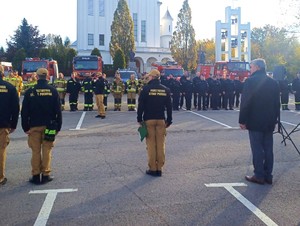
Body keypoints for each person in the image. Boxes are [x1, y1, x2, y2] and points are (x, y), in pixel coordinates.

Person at [239, 58, 280, 185]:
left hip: (255, 120)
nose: (250, 70)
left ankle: (259, 175)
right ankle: (268, 175)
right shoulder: (273, 82)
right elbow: (276, 104)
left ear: (257, 67)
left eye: (251, 67)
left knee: (257, 148)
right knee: (268, 148)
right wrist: (275, 120)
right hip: (269, 121)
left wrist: (242, 120)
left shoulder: (250, 81)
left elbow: (245, 102)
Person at [21, 68, 62, 185]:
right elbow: (58, 111)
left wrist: (25, 127)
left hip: (33, 126)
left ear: (37, 77)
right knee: (47, 150)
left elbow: (24, 112)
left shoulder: (30, 91)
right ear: (47, 76)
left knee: (35, 151)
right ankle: (45, 174)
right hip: (49, 126)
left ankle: (35, 175)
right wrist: (58, 127)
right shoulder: (53, 91)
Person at [137, 69, 172, 177]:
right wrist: (169, 120)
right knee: (161, 145)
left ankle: (152, 168)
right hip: (161, 120)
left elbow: (141, 106)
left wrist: (139, 119)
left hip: (149, 120)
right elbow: (169, 107)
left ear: (152, 77)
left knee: (151, 145)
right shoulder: (165, 90)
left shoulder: (145, 89)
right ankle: (159, 168)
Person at [0, 65, 20, 186]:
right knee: (1, 150)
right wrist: (13, 125)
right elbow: (15, 109)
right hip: (4, 124)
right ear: (3, 74)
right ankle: (0, 177)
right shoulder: (10, 88)